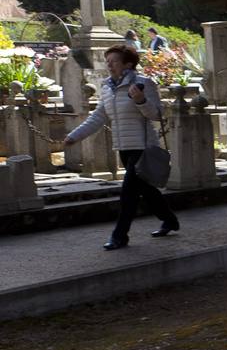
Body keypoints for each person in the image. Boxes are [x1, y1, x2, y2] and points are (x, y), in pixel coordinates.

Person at [61, 45, 179, 249]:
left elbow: (157, 114)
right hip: (123, 148)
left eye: (113, 61)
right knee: (147, 190)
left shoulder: (144, 83)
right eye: (107, 62)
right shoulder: (107, 88)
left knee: (128, 193)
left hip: (143, 147)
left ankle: (119, 236)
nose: (109, 65)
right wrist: (74, 136)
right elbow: (98, 116)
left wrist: (141, 101)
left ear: (128, 64)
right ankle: (169, 220)